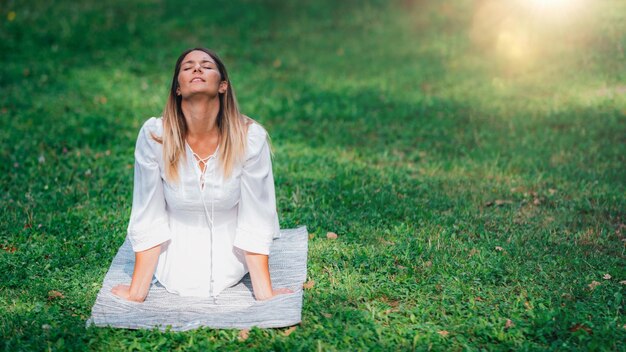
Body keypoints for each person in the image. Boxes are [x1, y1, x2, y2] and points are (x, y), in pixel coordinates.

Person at [111, 48, 293, 302]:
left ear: (223, 86)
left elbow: (256, 216)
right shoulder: (155, 137)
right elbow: (148, 213)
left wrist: (264, 293)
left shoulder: (250, 138)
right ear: (178, 88)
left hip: (232, 258)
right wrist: (137, 291)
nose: (197, 68)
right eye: (187, 67)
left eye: (206, 66)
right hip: (171, 260)